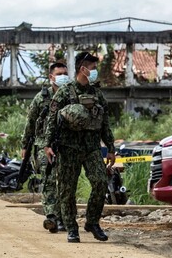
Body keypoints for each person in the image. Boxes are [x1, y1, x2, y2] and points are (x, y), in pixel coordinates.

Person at [44, 52, 116, 243]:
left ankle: (92, 222)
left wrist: (110, 147)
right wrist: (47, 145)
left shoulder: (97, 94)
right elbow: (52, 120)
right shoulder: (65, 92)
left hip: (91, 147)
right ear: (83, 69)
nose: (95, 72)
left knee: (100, 182)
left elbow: (104, 123)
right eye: (92, 68)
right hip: (68, 148)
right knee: (67, 190)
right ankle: (71, 228)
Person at [20, 62, 69, 232]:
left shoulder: (70, 95)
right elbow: (30, 122)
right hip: (42, 145)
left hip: (66, 144)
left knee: (65, 181)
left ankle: (63, 217)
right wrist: (25, 145)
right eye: (59, 73)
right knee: (49, 179)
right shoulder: (41, 98)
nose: (63, 76)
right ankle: (52, 216)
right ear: (51, 77)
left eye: (65, 73)